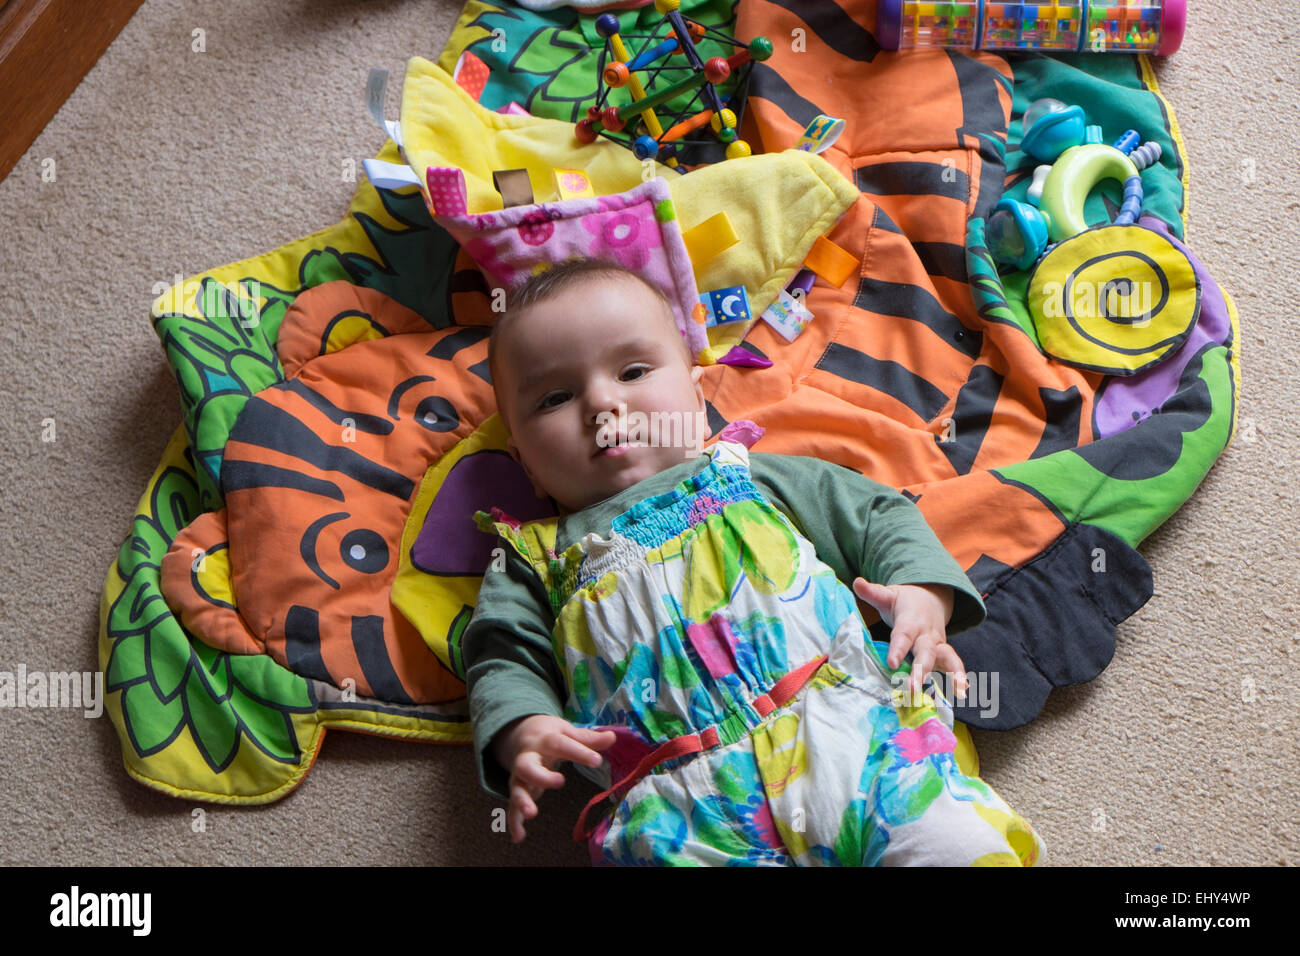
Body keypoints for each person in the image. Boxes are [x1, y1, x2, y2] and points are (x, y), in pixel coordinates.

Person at [459, 257, 1045, 866]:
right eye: (555, 397)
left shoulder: (746, 476)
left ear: (692, 388)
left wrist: (924, 593)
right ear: (522, 458)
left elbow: (876, 513)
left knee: (952, 846)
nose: (603, 402)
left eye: (633, 371)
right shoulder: (534, 559)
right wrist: (520, 729)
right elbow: (500, 652)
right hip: (677, 813)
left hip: (849, 732)